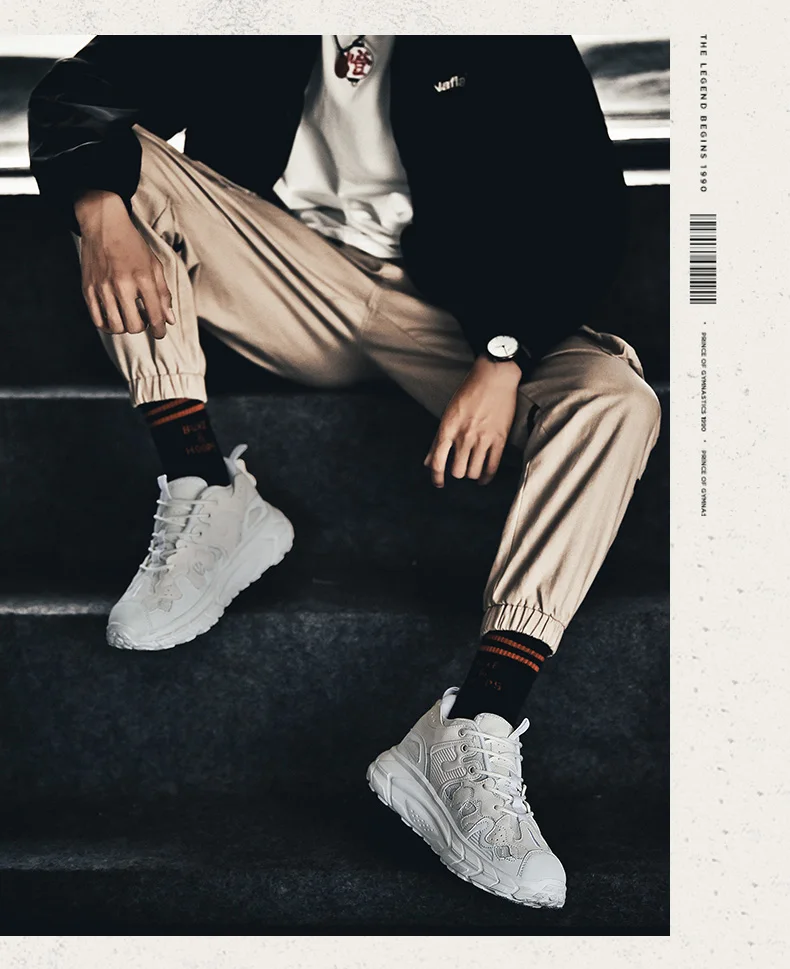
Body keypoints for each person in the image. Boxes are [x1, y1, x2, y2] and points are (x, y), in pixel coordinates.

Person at [28, 34, 661, 909]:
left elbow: (585, 207)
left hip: (453, 318)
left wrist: (505, 349)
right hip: (295, 287)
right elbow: (77, 93)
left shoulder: (499, 27)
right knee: (118, 167)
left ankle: (475, 718)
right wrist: (99, 214)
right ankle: (203, 481)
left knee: (617, 399)